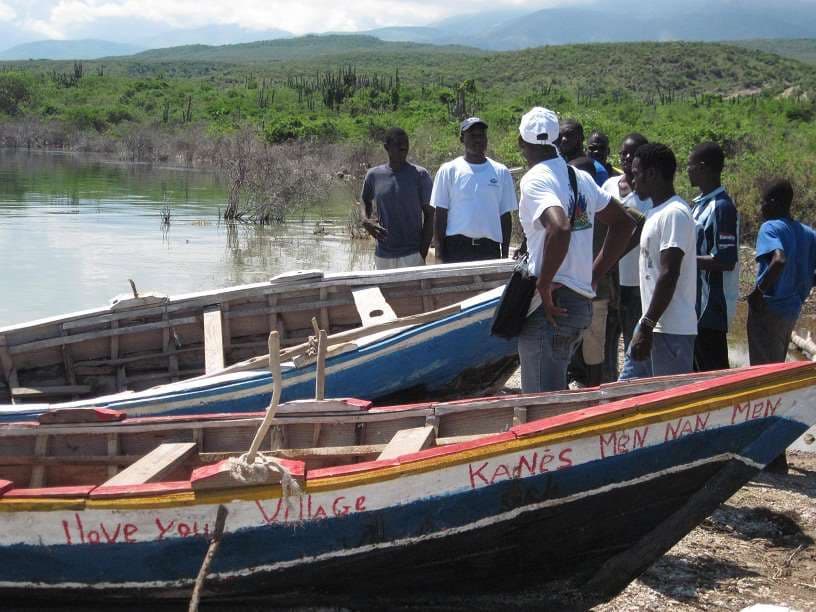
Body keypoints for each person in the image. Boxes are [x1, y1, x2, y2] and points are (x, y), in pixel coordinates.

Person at [516, 107, 636, 393]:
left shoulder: (535, 179)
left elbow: (560, 228)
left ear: (522, 143)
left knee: (540, 402)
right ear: (557, 139)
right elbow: (623, 223)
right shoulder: (578, 177)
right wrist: (592, 275)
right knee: (556, 387)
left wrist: (543, 284)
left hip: (550, 305)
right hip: (580, 302)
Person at [620, 143, 698, 380]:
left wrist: (647, 325)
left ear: (651, 173)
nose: (632, 181)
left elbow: (669, 273)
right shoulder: (656, 212)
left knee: (667, 403)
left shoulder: (675, 213)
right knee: (625, 392)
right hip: (652, 324)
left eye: (636, 174)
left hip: (670, 329)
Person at [747, 179, 816, 366]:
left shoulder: (770, 227)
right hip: (791, 310)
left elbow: (779, 260)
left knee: (761, 370)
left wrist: (757, 293)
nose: (761, 207)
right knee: (776, 364)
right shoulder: (808, 233)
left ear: (773, 203)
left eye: (763, 202)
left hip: (767, 309)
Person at [430, 118, 517, 263]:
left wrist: (505, 255)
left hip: (489, 248)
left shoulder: (501, 172)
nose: (478, 140)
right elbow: (440, 215)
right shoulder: (448, 170)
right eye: (472, 136)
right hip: (456, 247)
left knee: (492, 287)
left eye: (481, 135)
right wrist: (439, 256)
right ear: (462, 139)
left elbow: (505, 216)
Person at [687, 142, 740, 371]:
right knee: (696, 368)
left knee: (713, 369)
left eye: (689, 165)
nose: (686, 170)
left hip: (711, 308)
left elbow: (726, 260)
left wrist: (685, 261)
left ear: (702, 168)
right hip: (695, 304)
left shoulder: (721, 207)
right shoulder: (700, 204)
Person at [602, 133, 651, 376]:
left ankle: (633, 388)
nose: (628, 157)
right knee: (606, 338)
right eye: (624, 153)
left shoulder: (651, 195)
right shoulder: (608, 186)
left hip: (635, 279)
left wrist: (615, 254)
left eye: (634, 153)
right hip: (609, 277)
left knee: (634, 335)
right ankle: (610, 384)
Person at [360, 127, 434, 269]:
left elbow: (430, 215)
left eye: (405, 146)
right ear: (387, 148)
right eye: (398, 145)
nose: (403, 148)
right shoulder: (374, 175)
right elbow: (365, 200)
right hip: (383, 254)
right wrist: (365, 220)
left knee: (410, 292)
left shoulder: (420, 175)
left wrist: (422, 253)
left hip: (412, 255)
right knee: (383, 291)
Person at [558, 119, 608, 186]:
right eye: (560, 136)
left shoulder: (597, 171)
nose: (563, 139)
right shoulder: (555, 164)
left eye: (569, 135)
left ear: (581, 138)